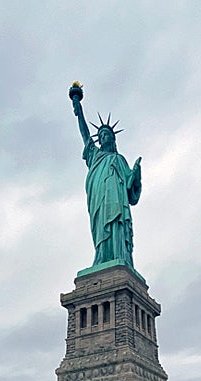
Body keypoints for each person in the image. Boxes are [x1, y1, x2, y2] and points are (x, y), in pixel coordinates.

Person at [71, 91, 142, 269]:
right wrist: (79, 109)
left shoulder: (120, 159)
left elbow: (131, 190)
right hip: (99, 197)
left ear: (113, 138)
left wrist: (136, 174)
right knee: (102, 225)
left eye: (107, 134)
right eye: (101, 135)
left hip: (117, 200)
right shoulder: (95, 156)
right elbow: (85, 134)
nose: (103, 137)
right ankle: (102, 256)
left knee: (117, 223)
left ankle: (120, 256)